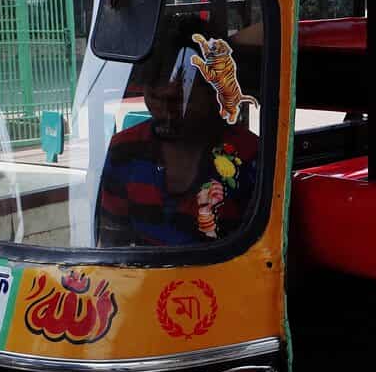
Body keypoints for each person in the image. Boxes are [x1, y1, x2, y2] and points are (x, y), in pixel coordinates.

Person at [96, 23, 259, 247]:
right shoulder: (123, 150)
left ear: (214, 92)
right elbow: (113, 244)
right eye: (155, 98)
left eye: (178, 100)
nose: (166, 112)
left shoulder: (249, 156)